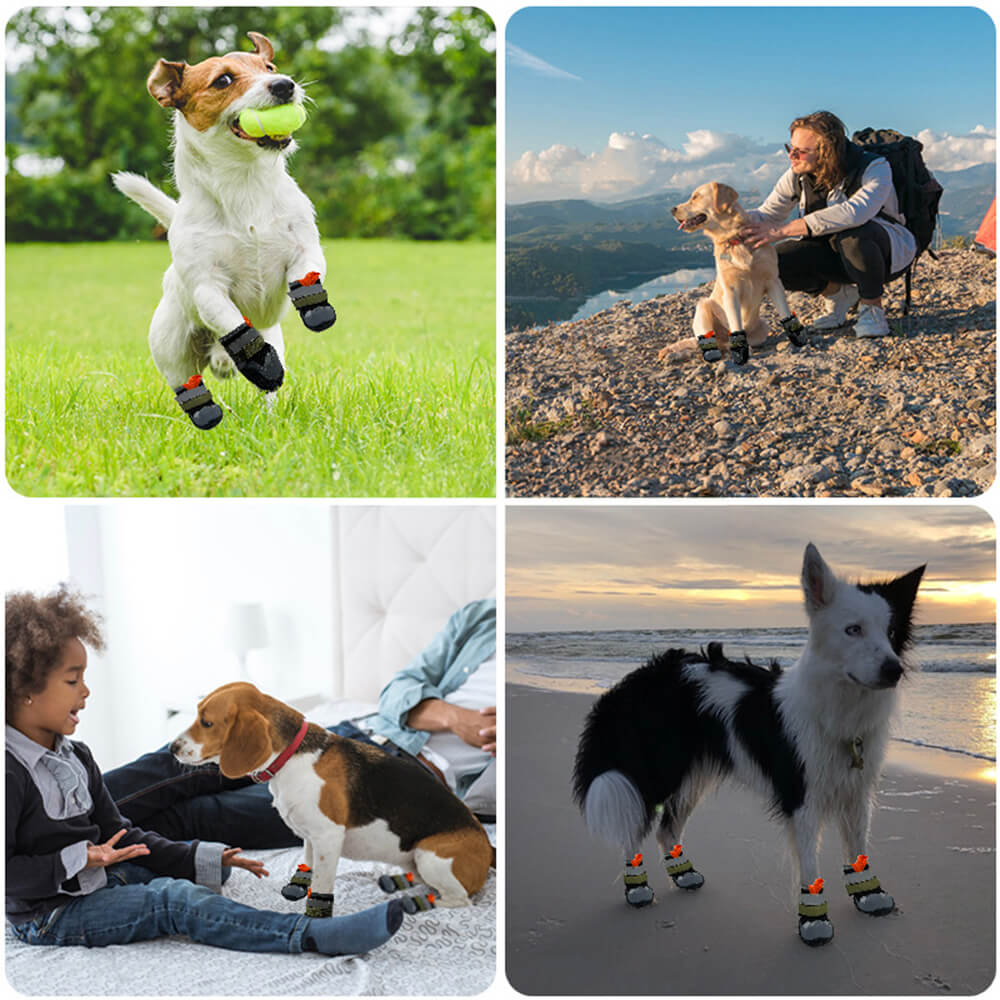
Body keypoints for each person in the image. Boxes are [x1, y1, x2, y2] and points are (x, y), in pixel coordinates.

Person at [6, 586, 403, 955]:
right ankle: (307, 935)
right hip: (48, 914)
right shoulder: (11, 773)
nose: (86, 690)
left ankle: (204, 870)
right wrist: (77, 860)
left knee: (201, 876)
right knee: (173, 900)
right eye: (73, 680)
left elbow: (121, 832)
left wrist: (205, 858)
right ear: (25, 687)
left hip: (94, 881)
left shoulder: (77, 755)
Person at [102, 598, 498, 850]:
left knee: (201, 815)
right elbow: (396, 691)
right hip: (351, 736)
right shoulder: (483, 618)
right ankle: (55, 815)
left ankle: (70, 844)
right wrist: (455, 718)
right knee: (175, 767)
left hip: (399, 786)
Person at [739, 110, 917, 339]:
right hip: (833, 252)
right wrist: (724, 219)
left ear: (827, 153)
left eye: (801, 152)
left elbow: (855, 213)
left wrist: (782, 231)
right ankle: (839, 296)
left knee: (854, 235)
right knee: (776, 262)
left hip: (885, 253)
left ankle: (872, 309)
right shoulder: (796, 176)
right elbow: (768, 214)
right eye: (789, 148)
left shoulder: (874, 168)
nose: (792, 156)